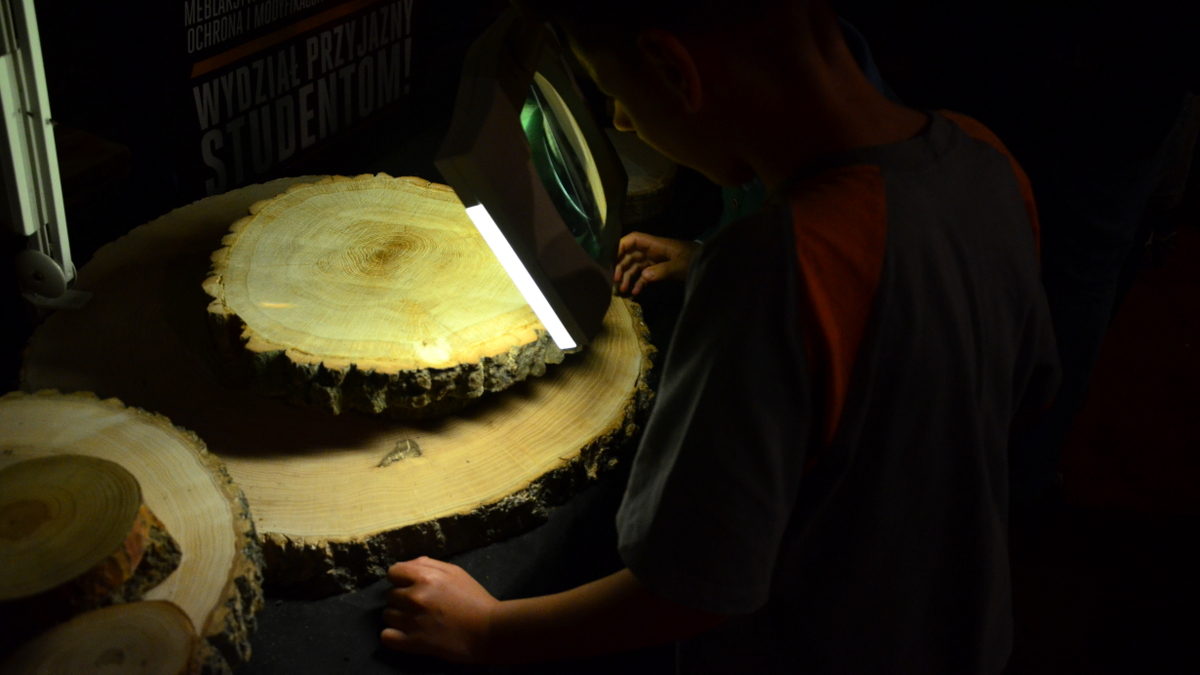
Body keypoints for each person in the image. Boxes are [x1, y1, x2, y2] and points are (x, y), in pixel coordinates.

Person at [380, 0, 1061, 672]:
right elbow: (1015, 390)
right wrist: (709, 260)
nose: (623, 122)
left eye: (615, 95)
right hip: (961, 636)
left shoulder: (772, 270)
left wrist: (489, 630)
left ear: (673, 69)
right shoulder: (986, 162)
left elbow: (690, 588)